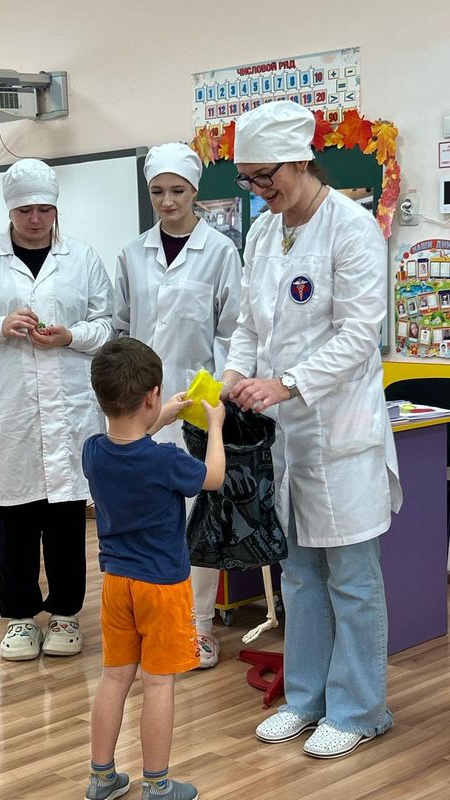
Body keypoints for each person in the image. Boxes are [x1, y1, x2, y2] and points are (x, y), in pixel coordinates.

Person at [221, 101, 402, 759]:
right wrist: (235, 373)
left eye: (264, 175)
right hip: (285, 435)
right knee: (297, 572)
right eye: (245, 178)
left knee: (351, 576)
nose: (256, 189)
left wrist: (288, 382)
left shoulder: (351, 229)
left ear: (300, 161)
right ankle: (306, 699)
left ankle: (360, 709)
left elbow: (358, 334)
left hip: (340, 428)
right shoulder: (263, 233)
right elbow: (248, 323)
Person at [0, 158, 113, 661]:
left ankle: (65, 614)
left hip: (67, 407)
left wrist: (71, 335)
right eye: (24, 211)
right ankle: (18, 617)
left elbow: (107, 324)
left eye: (43, 209)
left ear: (55, 209)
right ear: (9, 211)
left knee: (65, 517)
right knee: (15, 518)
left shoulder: (82, 258)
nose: (35, 220)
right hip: (7, 407)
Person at [113, 142, 242, 668]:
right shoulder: (132, 253)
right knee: (150, 514)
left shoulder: (221, 251)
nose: (168, 202)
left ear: (195, 191)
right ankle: (153, 619)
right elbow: (122, 326)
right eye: (158, 192)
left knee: (196, 515)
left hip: (197, 402)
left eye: (178, 191)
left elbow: (233, 331)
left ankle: (198, 627)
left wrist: (217, 396)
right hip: (143, 402)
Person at [82, 337, 225, 800]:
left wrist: (163, 415)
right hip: (162, 586)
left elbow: (130, 441)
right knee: (159, 684)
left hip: (115, 583)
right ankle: (158, 785)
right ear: (152, 395)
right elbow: (213, 478)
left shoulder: (93, 451)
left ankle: (101, 777)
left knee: (114, 678)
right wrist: (216, 426)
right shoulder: (166, 460)